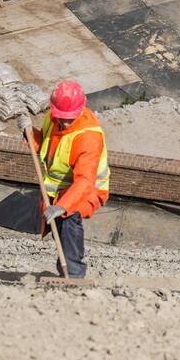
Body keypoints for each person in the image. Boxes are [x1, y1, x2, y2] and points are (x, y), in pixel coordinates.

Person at [17, 81, 110, 279]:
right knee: (58, 226)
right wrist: (29, 132)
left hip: (86, 189)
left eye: (69, 119)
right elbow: (46, 146)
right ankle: (64, 270)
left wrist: (63, 206)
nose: (64, 122)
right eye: (61, 117)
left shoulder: (88, 137)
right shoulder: (53, 119)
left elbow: (85, 180)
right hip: (59, 190)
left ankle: (74, 274)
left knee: (69, 221)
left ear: (80, 109)